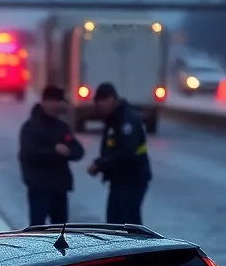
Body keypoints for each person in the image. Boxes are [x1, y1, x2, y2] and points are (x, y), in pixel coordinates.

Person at [18, 85, 85, 225]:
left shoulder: (61, 126)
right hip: (39, 186)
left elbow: (78, 151)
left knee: (60, 229)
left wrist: (68, 151)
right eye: (57, 101)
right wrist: (55, 151)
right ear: (46, 102)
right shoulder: (31, 127)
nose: (60, 105)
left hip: (59, 187)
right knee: (38, 229)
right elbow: (30, 153)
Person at [87, 82, 151, 224]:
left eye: (100, 103)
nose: (99, 108)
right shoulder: (114, 119)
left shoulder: (126, 121)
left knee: (128, 224)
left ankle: (137, 246)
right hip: (120, 180)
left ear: (111, 99)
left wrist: (99, 164)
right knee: (115, 224)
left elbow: (126, 153)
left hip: (132, 180)